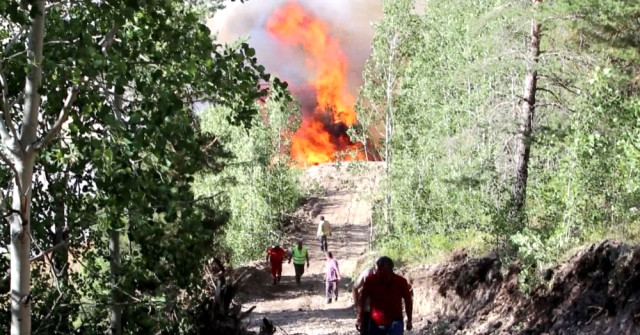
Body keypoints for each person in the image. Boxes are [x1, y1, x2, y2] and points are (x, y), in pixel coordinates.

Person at [357, 256, 413, 335]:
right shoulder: (371, 280)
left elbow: (408, 301)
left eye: (381, 269)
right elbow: (362, 300)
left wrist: (409, 320)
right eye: (378, 269)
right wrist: (360, 318)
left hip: (395, 321)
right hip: (375, 322)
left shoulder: (400, 282)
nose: (378, 272)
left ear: (390, 270)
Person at [352, 264, 376, 335]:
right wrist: (357, 303)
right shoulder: (367, 273)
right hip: (367, 309)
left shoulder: (387, 275)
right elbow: (355, 287)